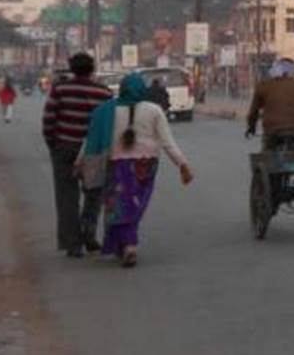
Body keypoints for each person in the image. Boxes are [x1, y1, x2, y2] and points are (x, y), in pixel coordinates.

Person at [80, 72, 192, 268]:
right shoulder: (154, 110)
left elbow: (91, 139)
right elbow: (168, 142)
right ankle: (129, 244)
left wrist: (79, 161)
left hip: (117, 165)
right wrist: (182, 164)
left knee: (121, 206)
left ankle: (127, 245)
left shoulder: (107, 111)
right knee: (135, 204)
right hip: (146, 165)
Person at [42, 53, 114, 258]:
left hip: (64, 147)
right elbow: (109, 125)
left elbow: (49, 119)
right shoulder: (104, 92)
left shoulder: (61, 89)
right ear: (92, 69)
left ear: (72, 69)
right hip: (93, 151)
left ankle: (73, 245)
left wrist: (53, 144)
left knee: (66, 197)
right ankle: (88, 235)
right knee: (94, 195)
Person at [246, 58, 294, 150]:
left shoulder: (263, 86)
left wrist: (251, 128)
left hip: (272, 131)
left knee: (267, 152)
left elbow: (253, 112)